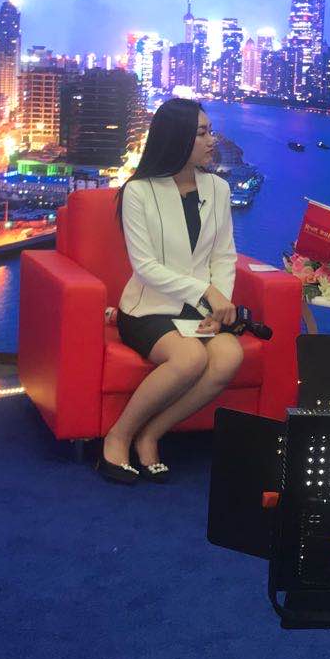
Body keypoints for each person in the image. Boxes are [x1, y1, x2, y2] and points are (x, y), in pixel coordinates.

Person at [100, 98, 243, 486]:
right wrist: (207, 292)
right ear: (176, 138)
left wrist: (219, 305)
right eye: (202, 134)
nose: (212, 140)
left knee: (229, 358)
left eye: (211, 131)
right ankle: (119, 436)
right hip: (149, 307)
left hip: (200, 309)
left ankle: (151, 435)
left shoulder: (218, 188)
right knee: (190, 358)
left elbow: (224, 255)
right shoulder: (138, 192)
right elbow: (146, 268)